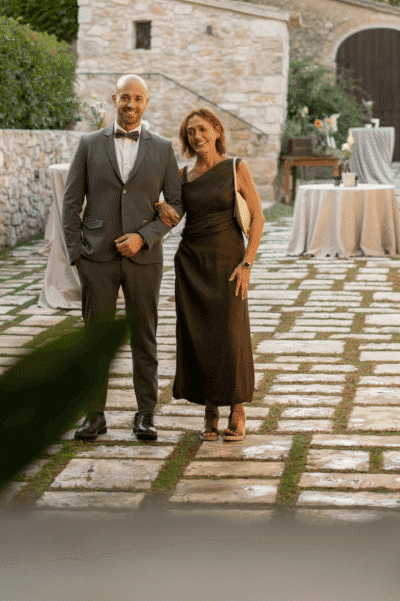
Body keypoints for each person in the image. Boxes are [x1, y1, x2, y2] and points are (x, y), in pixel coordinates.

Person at [61, 74, 183, 441]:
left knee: (144, 336)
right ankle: (93, 415)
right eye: (125, 97)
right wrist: (77, 255)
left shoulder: (163, 148)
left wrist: (145, 237)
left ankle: (145, 414)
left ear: (147, 103)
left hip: (144, 260)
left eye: (138, 99)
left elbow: (176, 204)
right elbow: (71, 202)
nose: (131, 105)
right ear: (114, 99)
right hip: (96, 258)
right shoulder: (88, 144)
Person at [156, 108, 264, 441]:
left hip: (228, 263)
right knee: (198, 337)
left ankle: (237, 409)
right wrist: (160, 206)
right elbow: (174, 215)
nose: (197, 136)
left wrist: (247, 263)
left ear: (217, 130)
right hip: (191, 264)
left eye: (203, 129)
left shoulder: (236, 167)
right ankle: (210, 409)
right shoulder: (182, 175)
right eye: (190, 132)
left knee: (232, 336)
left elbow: (258, 218)